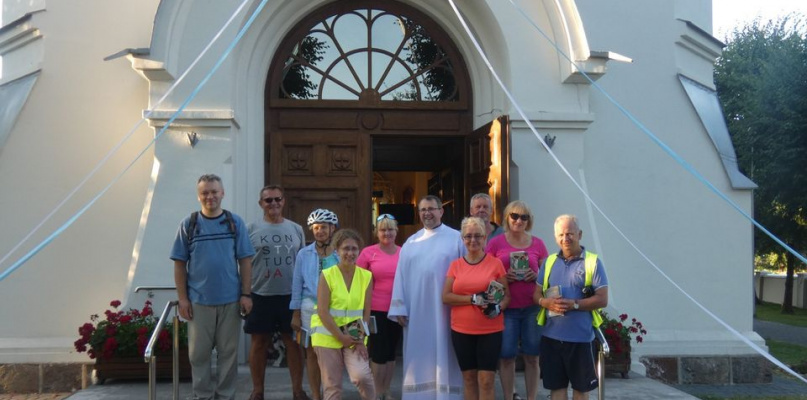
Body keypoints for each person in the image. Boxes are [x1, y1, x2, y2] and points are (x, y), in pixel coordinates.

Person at [170, 174, 255, 400]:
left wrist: (246, 294)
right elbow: (179, 264)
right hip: (199, 302)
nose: (210, 196)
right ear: (198, 196)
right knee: (198, 355)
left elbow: (245, 260)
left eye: (214, 192)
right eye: (205, 193)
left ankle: (226, 396)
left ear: (222, 193)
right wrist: (183, 299)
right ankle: (203, 395)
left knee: (228, 354)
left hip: (231, 300)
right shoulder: (188, 224)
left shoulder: (235, 223)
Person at [388, 195, 466, 400]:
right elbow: (400, 276)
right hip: (417, 311)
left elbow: (466, 271)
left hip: (446, 310)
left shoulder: (456, 238)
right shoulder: (411, 242)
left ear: (441, 211)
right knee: (418, 354)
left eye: (431, 209)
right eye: (423, 210)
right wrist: (399, 307)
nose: (427, 213)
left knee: (447, 352)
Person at [533, 215, 609, 400]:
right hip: (551, 338)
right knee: (556, 389)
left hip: (580, 339)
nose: (565, 238)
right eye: (561, 234)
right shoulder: (549, 262)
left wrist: (575, 304)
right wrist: (545, 302)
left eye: (570, 234)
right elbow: (536, 294)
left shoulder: (592, 262)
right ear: (555, 237)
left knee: (581, 390)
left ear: (579, 234)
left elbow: (602, 299)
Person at [246, 185, 308, 400]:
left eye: (277, 199)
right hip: (260, 294)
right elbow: (243, 262)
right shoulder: (250, 229)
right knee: (259, 343)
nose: (273, 203)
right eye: (268, 200)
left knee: (294, 343)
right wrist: (244, 293)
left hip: (290, 296)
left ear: (283, 201)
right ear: (261, 203)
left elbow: (303, 262)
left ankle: (298, 390)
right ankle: (257, 391)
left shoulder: (296, 229)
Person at [485, 201, 548, 400]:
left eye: (524, 217)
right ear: (507, 217)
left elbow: (548, 275)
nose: (518, 221)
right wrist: (504, 278)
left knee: (532, 357)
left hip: (532, 307)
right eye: (514, 216)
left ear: (529, 221)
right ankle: (508, 397)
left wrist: (535, 276)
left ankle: (531, 398)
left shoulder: (538, 243)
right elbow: (485, 274)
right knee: (506, 357)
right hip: (507, 308)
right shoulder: (495, 243)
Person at [442, 217, 510, 400]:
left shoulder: (495, 264)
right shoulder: (455, 265)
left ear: (485, 237)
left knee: (487, 380)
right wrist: (472, 299)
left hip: (490, 330)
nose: (473, 240)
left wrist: (498, 308)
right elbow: (446, 297)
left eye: (478, 236)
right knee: (469, 379)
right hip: (462, 331)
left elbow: (506, 297)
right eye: (468, 236)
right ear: (463, 239)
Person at [311, 229, 376, 400]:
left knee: (362, 376)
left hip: (354, 335)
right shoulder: (327, 275)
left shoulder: (366, 276)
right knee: (332, 385)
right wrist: (340, 337)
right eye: (346, 248)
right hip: (327, 335)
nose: (350, 253)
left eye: (354, 249)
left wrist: (359, 340)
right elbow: (322, 311)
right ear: (337, 251)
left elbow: (366, 312)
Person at [290, 208, 340, 400]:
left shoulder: (339, 253)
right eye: (316, 227)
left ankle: (331, 393)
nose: (320, 231)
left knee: (331, 352)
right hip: (309, 308)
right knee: (311, 352)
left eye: (324, 227)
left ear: (332, 228)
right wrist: (295, 313)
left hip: (334, 308)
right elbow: (297, 284)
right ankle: (316, 395)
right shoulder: (304, 254)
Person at [356, 214, 402, 400]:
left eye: (390, 229)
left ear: (396, 231)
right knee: (378, 352)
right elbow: (358, 281)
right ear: (377, 232)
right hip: (375, 309)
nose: (387, 233)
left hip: (397, 309)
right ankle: (375, 392)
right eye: (383, 229)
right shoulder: (368, 253)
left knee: (391, 353)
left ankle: (386, 390)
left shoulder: (404, 252)